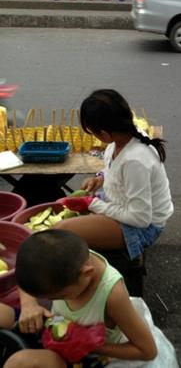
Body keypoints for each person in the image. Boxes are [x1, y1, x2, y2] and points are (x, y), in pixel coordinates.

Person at [0, 230, 158, 366]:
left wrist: (91, 345)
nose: (51, 300)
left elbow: (147, 351)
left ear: (86, 274)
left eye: (59, 296)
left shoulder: (112, 295)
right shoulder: (63, 255)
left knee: (20, 362)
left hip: (87, 356)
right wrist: (29, 305)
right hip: (55, 326)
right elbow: (26, 274)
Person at [56, 89, 174, 261]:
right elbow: (114, 169)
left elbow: (139, 218)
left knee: (62, 231)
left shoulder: (135, 160)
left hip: (143, 227)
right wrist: (101, 177)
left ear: (104, 133)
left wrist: (92, 204)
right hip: (124, 207)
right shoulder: (123, 138)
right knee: (62, 223)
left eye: (93, 132)